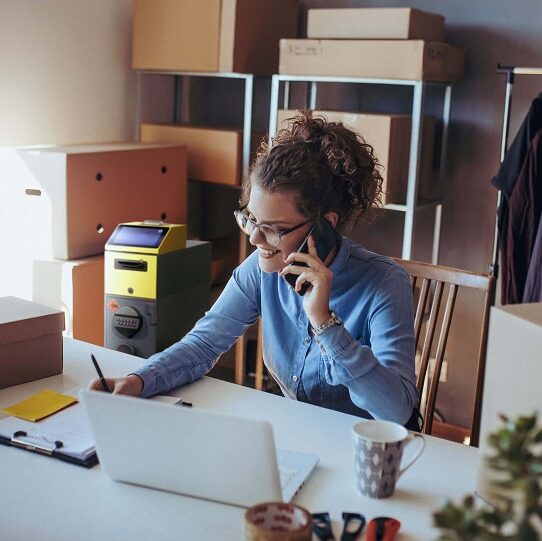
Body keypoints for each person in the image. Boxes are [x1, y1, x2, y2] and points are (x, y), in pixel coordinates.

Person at [92, 111, 419, 428]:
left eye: (273, 228)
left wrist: (325, 323)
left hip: (360, 450)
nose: (254, 238)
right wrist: (139, 380)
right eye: (250, 219)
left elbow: (395, 412)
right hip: (294, 433)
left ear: (325, 226)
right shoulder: (261, 270)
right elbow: (204, 344)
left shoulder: (383, 283)